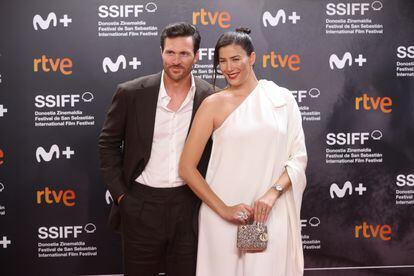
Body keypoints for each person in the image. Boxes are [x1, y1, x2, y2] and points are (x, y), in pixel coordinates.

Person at [179, 28, 307, 276]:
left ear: (252, 58)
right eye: (222, 62)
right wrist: (224, 209)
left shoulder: (281, 99)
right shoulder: (212, 104)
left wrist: (272, 194)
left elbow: (298, 158)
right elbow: (186, 167)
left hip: (269, 214)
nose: (228, 67)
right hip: (222, 217)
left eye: (235, 59)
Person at [98, 22, 214, 276]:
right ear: (161, 52)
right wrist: (122, 198)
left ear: (196, 56)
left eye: (184, 53)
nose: (176, 60)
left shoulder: (210, 97)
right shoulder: (131, 93)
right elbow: (107, 145)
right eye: (170, 52)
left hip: (189, 207)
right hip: (140, 205)